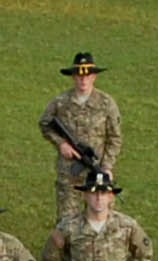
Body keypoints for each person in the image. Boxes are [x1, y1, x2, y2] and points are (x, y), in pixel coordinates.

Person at [41, 52, 123, 225]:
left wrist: (107, 166)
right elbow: (45, 123)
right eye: (79, 75)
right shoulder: (61, 102)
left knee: (104, 220)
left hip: (97, 171)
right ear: (73, 77)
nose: (83, 80)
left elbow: (115, 138)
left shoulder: (106, 103)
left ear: (94, 77)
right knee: (67, 221)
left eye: (87, 75)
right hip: (69, 172)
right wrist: (61, 143)